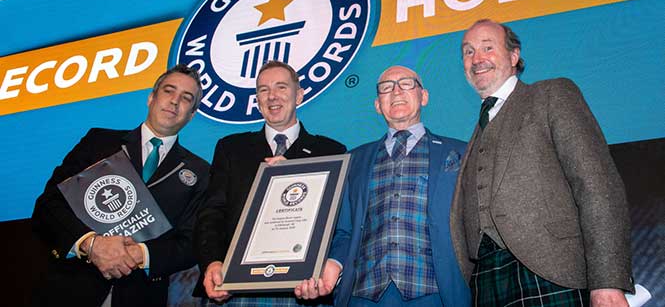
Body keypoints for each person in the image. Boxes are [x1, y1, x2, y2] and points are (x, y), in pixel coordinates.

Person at [450, 19, 633, 306]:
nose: (477, 59)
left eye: (488, 47)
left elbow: (597, 186)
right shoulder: (476, 131)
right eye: (468, 51)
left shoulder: (552, 94)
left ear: (513, 56)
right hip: (486, 284)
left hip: (553, 275)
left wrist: (607, 280)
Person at [32, 64, 210, 306]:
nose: (174, 101)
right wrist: (91, 244)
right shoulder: (99, 142)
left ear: (192, 114)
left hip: (140, 296)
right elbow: (49, 205)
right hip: (71, 288)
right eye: (169, 91)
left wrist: (139, 255)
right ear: (151, 97)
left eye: (186, 98)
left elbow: (190, 244)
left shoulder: (200, 172)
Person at [295, 65, 470, 306]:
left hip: (436, 293)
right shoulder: (353, 160)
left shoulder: (460, 152)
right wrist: (332, 265)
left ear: (424, 96)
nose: (396, 91)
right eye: (386, 88)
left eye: (406, 83)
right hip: (364, 295)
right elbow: (344, 231)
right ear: (378, 105)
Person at [193, 60, 346, 306]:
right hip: (237, 288)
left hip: (303, 290)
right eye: (263, 90)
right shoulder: (231, 148)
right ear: (257, 100)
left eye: (281, 87)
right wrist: (213, 261)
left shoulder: (331, 151)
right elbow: (212, 213)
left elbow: (339, 223)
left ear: (299, 95)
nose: (272, 96)